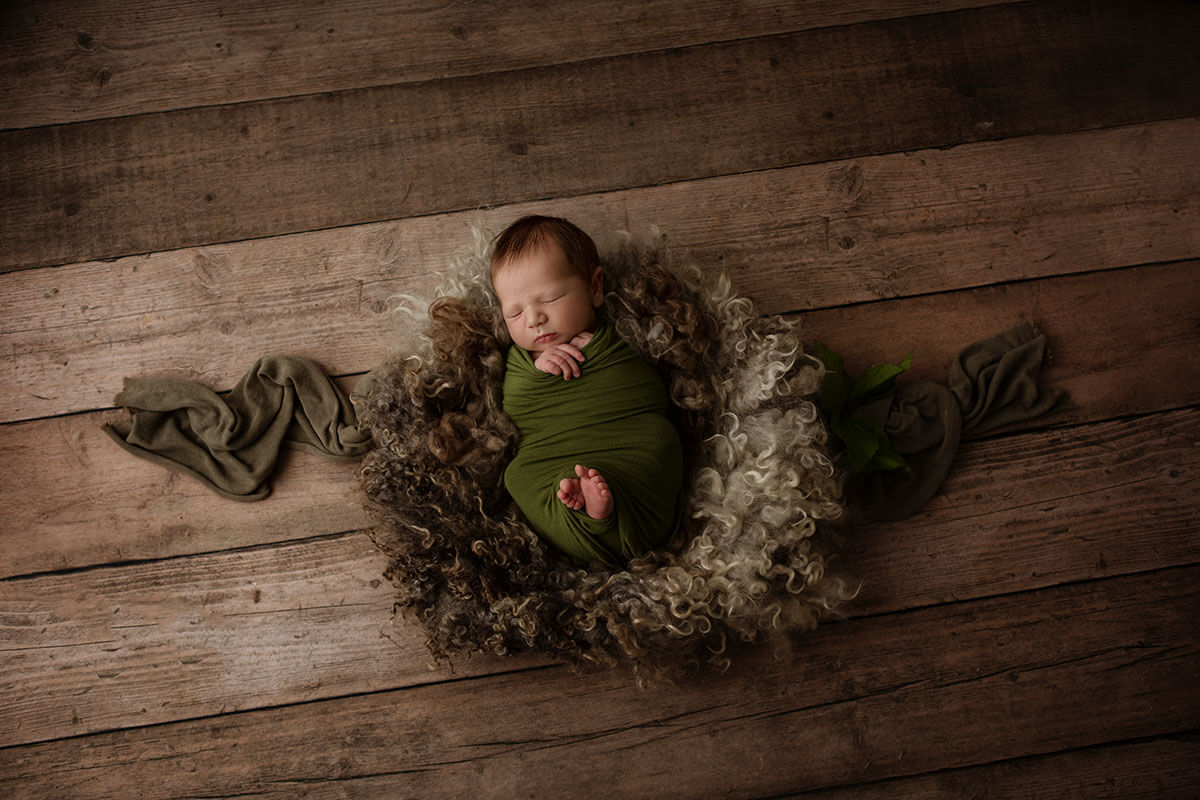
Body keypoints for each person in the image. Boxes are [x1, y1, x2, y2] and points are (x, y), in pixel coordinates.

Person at [490, 215, 684, 568]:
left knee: (659, 437)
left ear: (595, 287)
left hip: (627, 450)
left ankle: (605, 505)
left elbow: (650, 393)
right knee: (519, 476)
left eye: (551, 298)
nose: (533, 319)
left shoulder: (622, 339)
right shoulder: (519, 364)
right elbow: (514, 410)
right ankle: (591, 515)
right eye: (514, 313)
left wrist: (604, 358)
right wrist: (535, 373)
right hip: (550, 460)